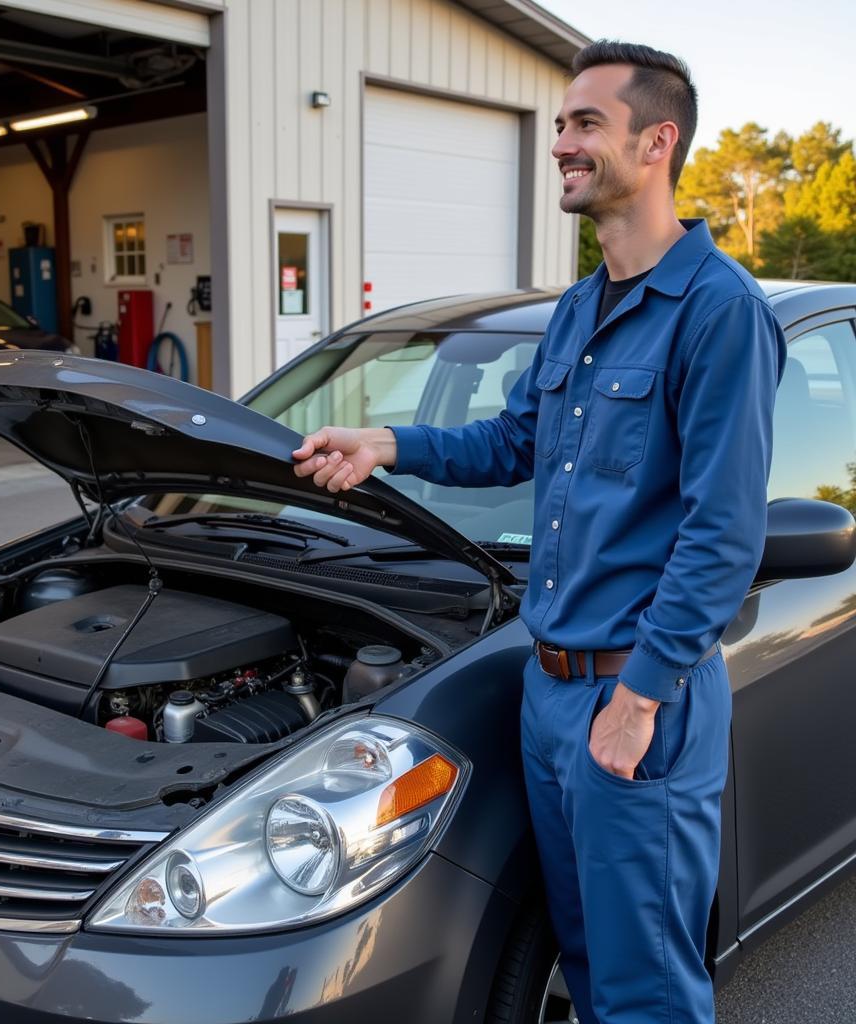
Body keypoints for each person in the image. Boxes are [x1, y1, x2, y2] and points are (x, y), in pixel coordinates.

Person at [291, 40, 787, 1024]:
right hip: (548, 689)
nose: (560, 142)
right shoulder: (577, 310)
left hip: (638, 694)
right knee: (591, 964)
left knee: (646, 989)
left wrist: (637, 703)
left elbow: (722, 535)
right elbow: (514, 438)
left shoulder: (717, 312)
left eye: (583, 124)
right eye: (558, 124)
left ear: (657, 142)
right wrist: (386, 441)